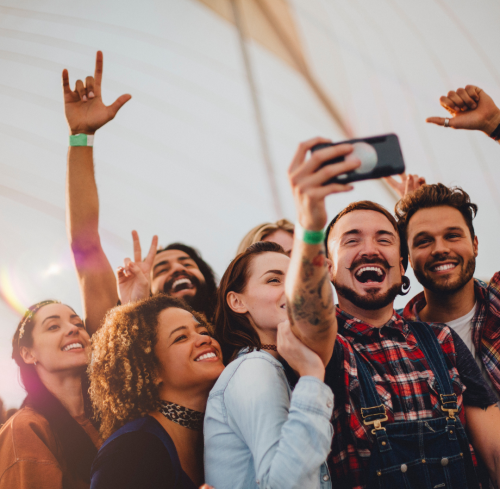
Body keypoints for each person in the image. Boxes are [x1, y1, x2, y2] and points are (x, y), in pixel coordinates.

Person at [287, 137, 500, 489]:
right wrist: (309, 223)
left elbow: (494, 454)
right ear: (327, 268)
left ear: (402, 267)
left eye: (384, 239)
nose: (370, 250)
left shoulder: (442, 340)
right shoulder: (329, 347)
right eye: (352, 240)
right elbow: (308, 315)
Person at [204, 143, 362, 489]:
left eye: (293, 279)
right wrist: (311, 375)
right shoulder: (253, 370)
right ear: (237, 301)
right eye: (275, 279)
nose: (291, 290)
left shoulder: (276, 367)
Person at [63, 51, 217, 334]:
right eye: (161, 270)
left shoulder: (236, 331)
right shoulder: (125, 332)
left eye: (186, 263)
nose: (178, 269)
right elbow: (85, 244)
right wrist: (81, 136)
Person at [89, 294, 220, 489]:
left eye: (202, 330)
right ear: (150, 370)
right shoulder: (130, 451)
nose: (203, 339)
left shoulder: (213, 434)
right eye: (181, 337)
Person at [396, 183, 500, 398]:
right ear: (408, 258)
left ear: (475, 244)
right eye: (423, 241)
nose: (440, 249)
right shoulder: (394, 340)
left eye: (452, 235)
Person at [0, 300, 101, 489]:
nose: (73, 329)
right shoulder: (25, 429)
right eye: (53, 326)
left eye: (78, 324)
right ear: (28, 354)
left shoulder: (113, 412)